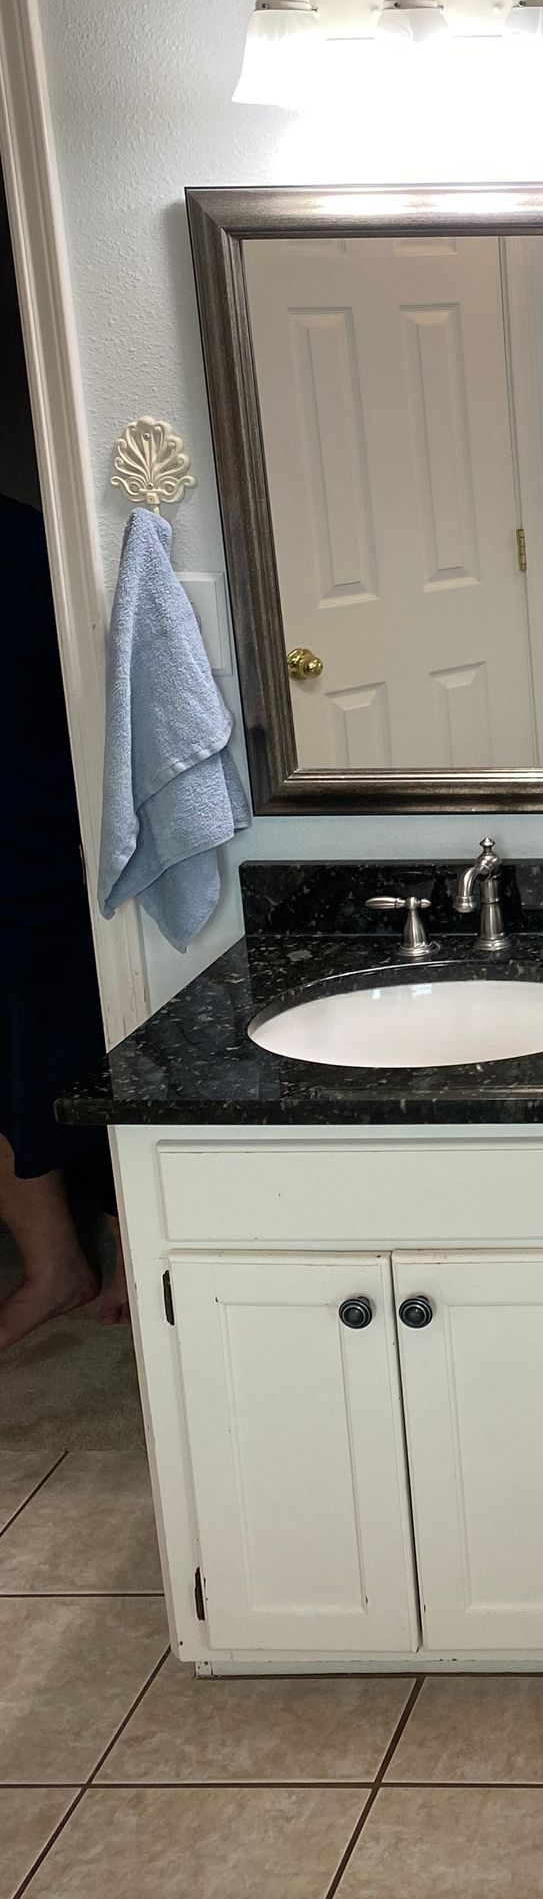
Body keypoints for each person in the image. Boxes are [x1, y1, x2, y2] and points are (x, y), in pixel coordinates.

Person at [0, 493, 121, 1349]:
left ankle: (130, 1247)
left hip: (43, 833)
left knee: (95, 1040)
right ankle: (53, 1266)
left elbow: (92, 687)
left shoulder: (31, 544)